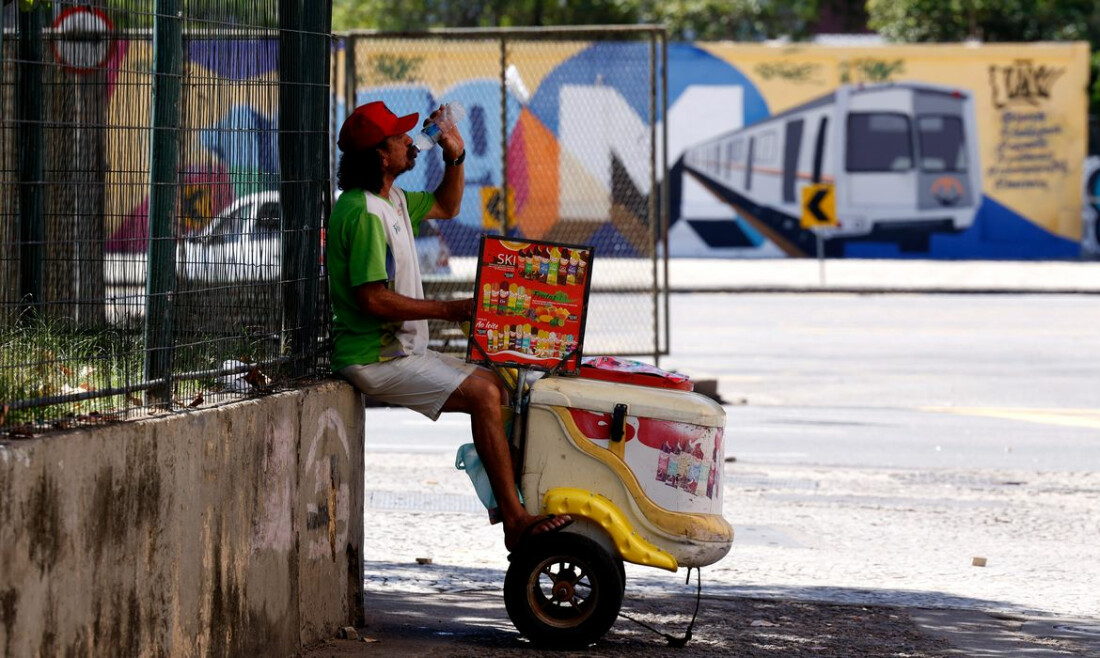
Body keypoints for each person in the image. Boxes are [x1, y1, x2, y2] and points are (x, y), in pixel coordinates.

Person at [327, 101, 572, 552]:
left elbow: (447, 203)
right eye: (399, 137)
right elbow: (371, 299)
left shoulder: (392, 200)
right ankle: (516, 521)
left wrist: (453, 155)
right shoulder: (363, 213)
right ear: (381, 156)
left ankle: (509, 500)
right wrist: (450, 310)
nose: (409, 140)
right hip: (374, 357)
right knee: (485, 394)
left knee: (499, 385)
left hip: (400, 350)